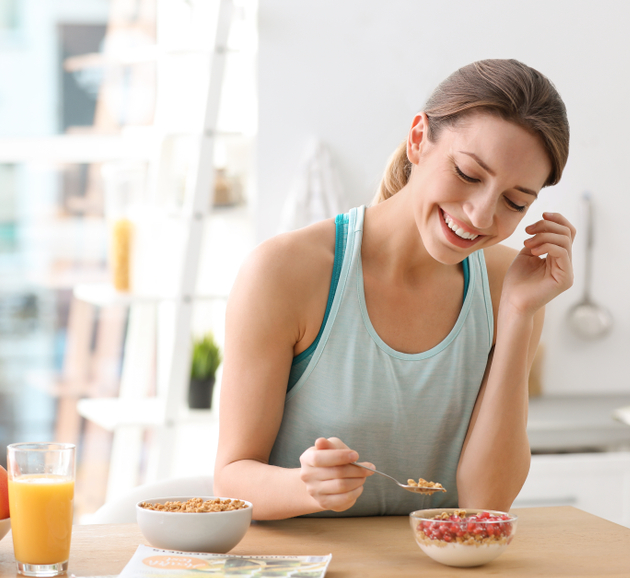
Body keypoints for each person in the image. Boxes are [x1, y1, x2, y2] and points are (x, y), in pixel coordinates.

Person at [214, 59, 574, 520]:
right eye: (467, 174)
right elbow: (230, 476)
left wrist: (519, 313)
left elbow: (486, 504)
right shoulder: (286, 272)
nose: (482, 217)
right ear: (419, 140)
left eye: (514, 201)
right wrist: (306, 487)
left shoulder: (509, 286)